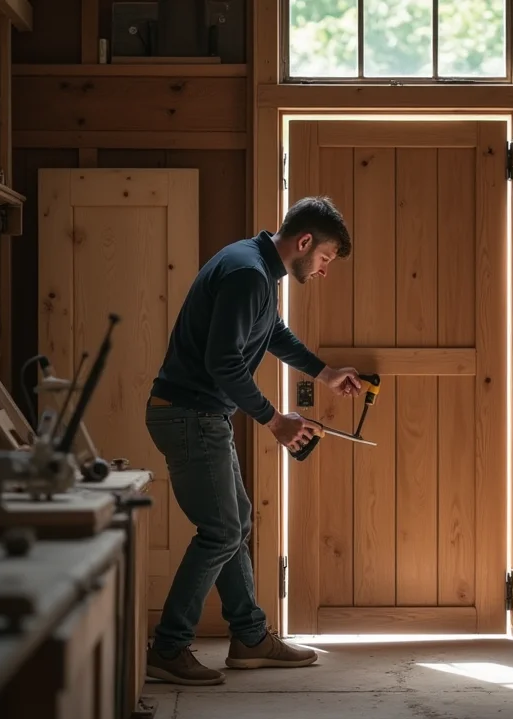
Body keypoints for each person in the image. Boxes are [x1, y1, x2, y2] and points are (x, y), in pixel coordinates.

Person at [144, 196, 361, 686]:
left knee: (233, 524)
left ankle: (249, 637)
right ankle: (170, 647)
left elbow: (272, 334)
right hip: (189, 415)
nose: (324, 270)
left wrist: (324, 372)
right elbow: (225, 363)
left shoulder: (257, 267)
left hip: (196, 414)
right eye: (325, 258)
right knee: (222, 531)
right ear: (304, 242)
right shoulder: (247, 273)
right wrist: (273, 420)